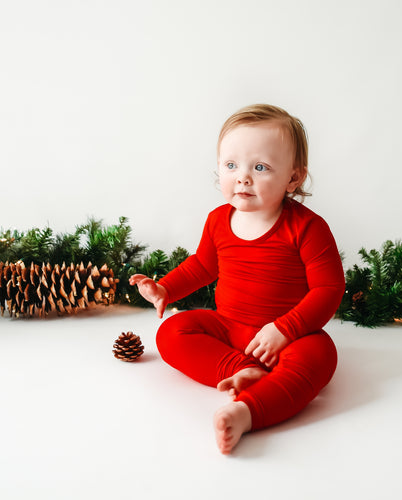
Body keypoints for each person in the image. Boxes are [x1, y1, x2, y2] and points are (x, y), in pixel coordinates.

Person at [130, 104, 345, 454]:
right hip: (230, 328)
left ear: (293, 177)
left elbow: (329, 289)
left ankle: (248, 411)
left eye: (260, 167)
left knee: (322, 354)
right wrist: (166, 288)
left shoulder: (307, 228)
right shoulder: (218, 220)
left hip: (287, 337)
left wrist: (286, 329)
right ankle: (247, 372)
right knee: (171, 332)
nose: (242, 177)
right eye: (231, 166)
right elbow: (202, 266)